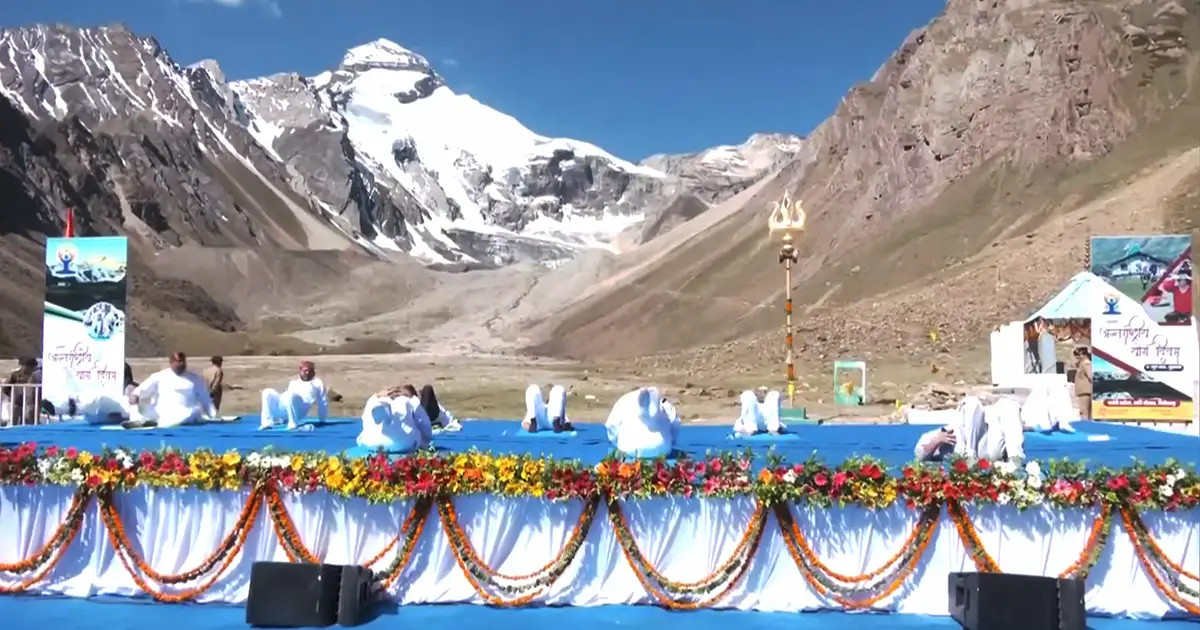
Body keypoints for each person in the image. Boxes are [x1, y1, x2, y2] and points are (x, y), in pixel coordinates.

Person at [914, 396, 1025, 463]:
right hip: (980, 453)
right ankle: (970, 456)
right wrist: (935, 441)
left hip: (989, 446)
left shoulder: (958, 424)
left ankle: (1016, 459)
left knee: (1008, 405)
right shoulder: (936, 436)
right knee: (971, 403)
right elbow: (919, 455)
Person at [127, 352, 217, 428]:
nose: (181, 364)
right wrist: (135, 395)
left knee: (191, 414)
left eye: (183, 362)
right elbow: (141, 390)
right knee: (138, 402)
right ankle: (136, 421)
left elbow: (205, 400)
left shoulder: (195, 379)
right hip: (163, 412)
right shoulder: (160, 376)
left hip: (187, 413)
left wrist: (213, 416)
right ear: (171, 363)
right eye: (178, 362)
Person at [605, 387, 674, 459]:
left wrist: (617, 443)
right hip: (663, 447)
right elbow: (675, 425)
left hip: (629, 447)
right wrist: (671, 441)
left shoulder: (624, 402)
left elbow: (611, 426)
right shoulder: (666, 406)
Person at [259, 361, 330, 430]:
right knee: (267, 392)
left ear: (314, 372)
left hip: (300, 409)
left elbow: (322, 402)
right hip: (283, 407)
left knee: (291, 395)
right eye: (305, 371)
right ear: (300, 370)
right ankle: (266, 423)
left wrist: (322, 420)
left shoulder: (318, 383)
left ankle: (293, 424)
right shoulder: (293, 382)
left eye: (310, 371)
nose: (307, 373)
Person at [356, 388, 430, 452]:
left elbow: (365, 419)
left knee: (376, 423)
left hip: (372, 442)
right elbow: (424, 423)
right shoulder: (409, 400)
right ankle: (389, 418)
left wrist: (375, 396)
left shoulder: (377, 399)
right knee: (401, 426)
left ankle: (387, 416)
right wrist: (424, 442)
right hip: (402, 442)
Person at [2, 357, 42, 425]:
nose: (30, 368)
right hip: (17, 402)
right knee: (14, 420)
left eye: (32, 366)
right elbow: (6, 387)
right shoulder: (15, 375)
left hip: (32, 403)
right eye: (28, 366)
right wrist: (12, 396)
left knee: (31, 420)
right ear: (22, 365)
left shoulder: (36, 375)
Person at [1073, 346, 1093, 421]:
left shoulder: (1086, 364)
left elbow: (1090, 376)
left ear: (1084, 355)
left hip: (1086, 392)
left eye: (1079, 355)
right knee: (1087, 411)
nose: (1077, 357)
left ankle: (1086, 426)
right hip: (1084, 392)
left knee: (1084, 411)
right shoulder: (1082, 364)